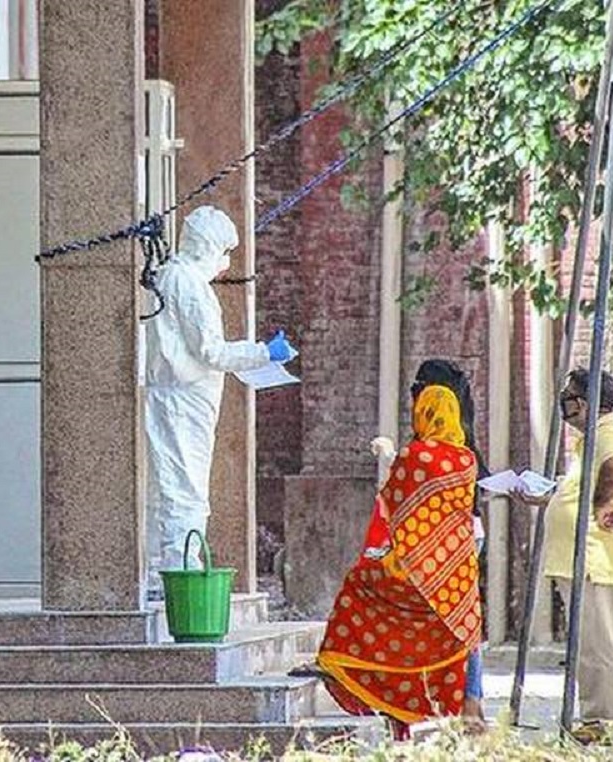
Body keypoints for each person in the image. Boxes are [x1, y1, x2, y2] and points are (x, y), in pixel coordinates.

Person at [143, 205, 293, 599]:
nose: (226, 263)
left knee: (172, 487)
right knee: (186, 490)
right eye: (225, 252)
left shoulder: (172, 276)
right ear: (209, 246)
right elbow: (210, 351)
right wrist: (263, 353)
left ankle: (164, 572)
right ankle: (180, 575)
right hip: (183, 400)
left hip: (179, 397)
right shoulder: (189, 284)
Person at [316, 386, 481, 739]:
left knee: (357, 586)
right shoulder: (468, 460)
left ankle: (345, 668)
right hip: (456, 579)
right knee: (456, 636)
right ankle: (461, 710)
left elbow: (392, 503)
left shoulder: (415, 455)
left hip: (411, 574)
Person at [511, 368, 613, 744]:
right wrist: (549, 498)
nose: (563, 405)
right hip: (583, 559)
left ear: (581, 403)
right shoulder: (592, 439)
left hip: (596, 558)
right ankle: (597, 718)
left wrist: (599, 505)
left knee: (599, 645)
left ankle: (603, 721)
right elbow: (579, 488)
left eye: (567, 397)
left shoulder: (607, 435)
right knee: (590, 643)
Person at [410, 359, 488, 730]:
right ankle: (471, 702)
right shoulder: (465, 450)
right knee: (464, 619)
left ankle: (436, 700)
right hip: (466, 536)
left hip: (435, 544)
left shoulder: (420, 454)